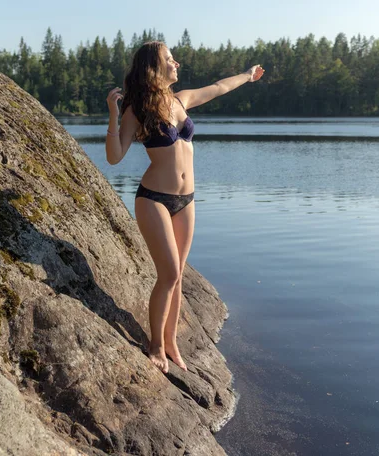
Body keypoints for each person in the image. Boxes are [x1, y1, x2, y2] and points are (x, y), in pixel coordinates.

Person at [105, 41, 264, 374]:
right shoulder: (138, 109)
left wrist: (247, 76)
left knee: (177, 278)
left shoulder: (181, 100)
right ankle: (155, 346)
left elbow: (219, 88)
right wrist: (114, 115)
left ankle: (172, 342)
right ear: (154, 67)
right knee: (170, 274)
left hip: (186, 200)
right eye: (169, 59)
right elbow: (115, 156)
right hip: (153, 199)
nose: (176, 62)